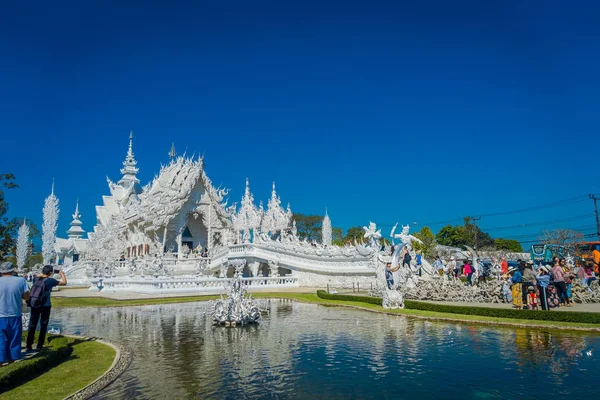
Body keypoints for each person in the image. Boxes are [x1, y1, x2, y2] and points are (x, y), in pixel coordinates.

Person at [26, 265, 67, 351]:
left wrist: (43, 273)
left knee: (32, 325)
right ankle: (39, 345)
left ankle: (28, 345)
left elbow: (37, 275)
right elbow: (64, 282)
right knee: (43, 325)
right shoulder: (50, 280)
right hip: (45, 305)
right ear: (50, 273)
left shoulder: (36, 279)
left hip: (35, 304)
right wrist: (61, 273)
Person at [0, 262, 30, 366]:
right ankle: (11, 363)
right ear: (13, 270)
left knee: (1, 340)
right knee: (14, 339)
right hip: (15, 314)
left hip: (0, 315)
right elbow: (27, 297)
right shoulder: (21, 281)